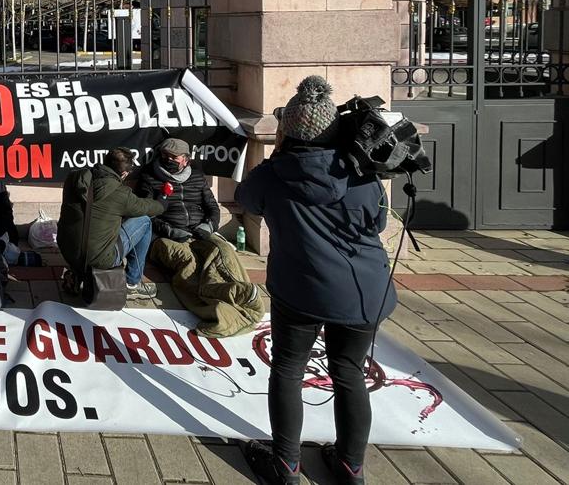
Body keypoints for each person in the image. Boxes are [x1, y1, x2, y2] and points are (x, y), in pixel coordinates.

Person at [235, 76, 394, 485]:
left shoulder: (271, 175)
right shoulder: (361, 172)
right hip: (365, 292)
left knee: (288, 369)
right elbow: (378, 221)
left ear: (287, 131)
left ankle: (286, 465)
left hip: (300, 289)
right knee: (349, 372)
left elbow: (248, 201)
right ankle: (350, 466)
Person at [140, 137, 262, 337]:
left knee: (221, 253)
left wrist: (209, 225)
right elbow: (147, 213)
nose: (168, 159)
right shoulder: (150, 177)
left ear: (186, 159)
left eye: (174, 157)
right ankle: (221, 313)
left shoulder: (196, 177)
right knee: (188, 264)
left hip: (200, 231)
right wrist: (169, 230)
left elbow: (212, 207)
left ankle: (243, 296)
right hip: (167, 236)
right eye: (165, 156)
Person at [57, 147, 165, 301]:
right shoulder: (121, 194)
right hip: (99, 259)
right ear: (124, 174)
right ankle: (132, 283)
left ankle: (79, 273)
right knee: (144, 221)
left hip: (67, 249)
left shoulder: (74, 177)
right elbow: (147, 208)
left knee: (89, 227)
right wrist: (162, 203)